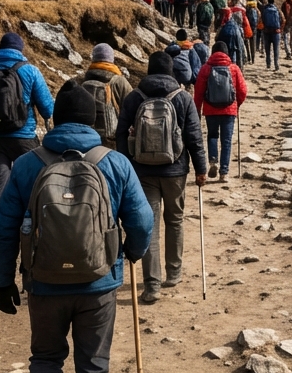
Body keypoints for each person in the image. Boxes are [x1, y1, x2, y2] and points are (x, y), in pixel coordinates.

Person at [0, 82, 153, 373]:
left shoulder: (29, 164)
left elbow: (4, 226)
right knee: (92, 367)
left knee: (46, 359)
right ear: (95, 121)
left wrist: (2, 280)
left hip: (43, 282)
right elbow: (143, 219)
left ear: (55, 118)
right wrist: (131, 251)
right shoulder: (113, 162)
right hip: (99, 282)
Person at [117, 50, 207, 304]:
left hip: (142, 172)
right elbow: (193, 136)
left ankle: (152, 285)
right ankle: (174, 272)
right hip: (175, 170)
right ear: (171, 71)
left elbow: (121, 133)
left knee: (150, 226)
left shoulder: (134, 97)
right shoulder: (183, 98)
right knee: (175, 220)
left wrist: (127, 167)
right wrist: (200, 168)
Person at [0, 32, 55, 227]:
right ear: (20, 50)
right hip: (24, 137)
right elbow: (47, 108)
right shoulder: (30, 71)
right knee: (32, 180)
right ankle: (31, 225)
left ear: (0, 49)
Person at [193, 41, 247, 181]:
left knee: (212, 135)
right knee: (226, 141)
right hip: (229, 111)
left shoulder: (206, 69)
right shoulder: (233, 68)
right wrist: (237, 105)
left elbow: (198, 91)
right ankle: (224, 172)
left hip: (210, 110)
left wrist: (197, 109)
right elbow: (243, 91)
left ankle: (213, 160)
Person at [79, 44, 132, 149]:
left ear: (93, 58)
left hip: (85, 136)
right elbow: (131, 106)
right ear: (111, 59)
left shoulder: (81, 79)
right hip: (112, 139)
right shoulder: (119, 81)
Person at [261, 0, 283, 71]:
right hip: (276, 32)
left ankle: (268, 63)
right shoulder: (277, 9)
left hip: (267, 31)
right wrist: (280, 28)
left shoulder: (265, 10)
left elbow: (262, 19)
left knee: (267, 49)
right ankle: (276, 64)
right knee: (276, 49)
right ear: (273, 2)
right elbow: (282, 19)